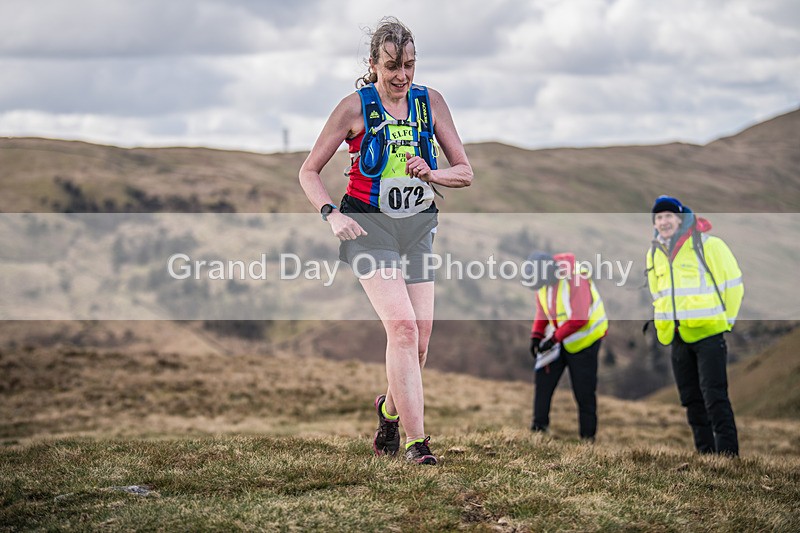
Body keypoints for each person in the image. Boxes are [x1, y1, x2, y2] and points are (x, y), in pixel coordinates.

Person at [298, 17, 472, 465]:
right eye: (392, 66)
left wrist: (432, 173)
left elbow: (465, 173)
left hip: (416, 228)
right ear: (373, 64)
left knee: (421, 342)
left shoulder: (429, 102)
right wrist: (330, 214)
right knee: (402, 327)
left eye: (409, 65)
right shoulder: (353, 108)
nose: (402, 76)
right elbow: (309, 171)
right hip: (367, 227)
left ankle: (389, 413)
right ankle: (417, 444)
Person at [646, 195, 744, 456]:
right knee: (691, 400)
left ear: (680, 218)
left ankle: (728, 458)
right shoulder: (655, 251)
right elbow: (658, 294)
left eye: (668, 216)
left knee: (715, 397)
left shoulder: (709, 245)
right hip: (677, 336)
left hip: (709, 334)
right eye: (658, 217)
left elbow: (734, 286)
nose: (663, 221)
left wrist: (726, 321)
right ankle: (706, 454)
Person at [526, 251, 608, 440]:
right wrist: (536, 335)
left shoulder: (576, 278)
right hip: (559, 340)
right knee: (543, 381)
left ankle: (588, 439)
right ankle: (539, 429)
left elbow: (579, 319)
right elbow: (542, 311)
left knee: (583, 391)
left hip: (584, 341)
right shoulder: (542, 281)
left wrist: (553, 339)